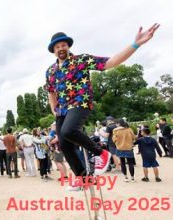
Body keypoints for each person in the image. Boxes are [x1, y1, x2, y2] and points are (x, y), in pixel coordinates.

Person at [45, 25, 159, 186]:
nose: (61, 48)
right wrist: (53, 109)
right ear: (53, 50)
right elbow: (50, 92)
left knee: (69, 130)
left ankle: (101, 153)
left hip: (79, 102)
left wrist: (136, 44)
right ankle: (84, 178)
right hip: (61, 110)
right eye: (57, 47)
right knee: (63, 144)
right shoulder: (50, 71)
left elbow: (110, 62)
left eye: (63, 45)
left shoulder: (81, 60)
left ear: (68, 46)